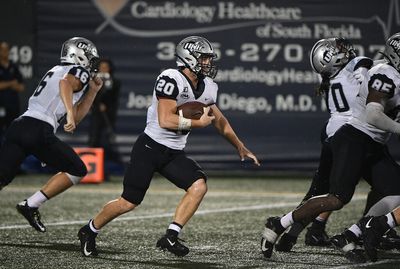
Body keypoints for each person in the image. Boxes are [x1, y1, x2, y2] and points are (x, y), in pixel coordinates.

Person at [77, 36, 260, 257]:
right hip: (150, 147)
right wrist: (196, 123)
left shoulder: (208, 86)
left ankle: (170, 236)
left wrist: (239, 146)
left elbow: (219, 120)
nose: (207, 63)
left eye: (208, 58)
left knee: (198, 185)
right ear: (188, 57)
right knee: (128, 202)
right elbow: (165, 120)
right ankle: (89, 229)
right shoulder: (170, 77)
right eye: (203, 58)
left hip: (173, 152)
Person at [260, 35, 400, 261]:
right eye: (338, 49)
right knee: (336, 197)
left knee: (390, 188)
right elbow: (374, 105)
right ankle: (281, 224)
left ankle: (352, 233)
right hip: (354, 137)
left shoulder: (339, 76)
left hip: (352, 136)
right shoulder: (372, 68)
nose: (344, 49)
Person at [0, 37, 103, 233]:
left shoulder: (57, 69)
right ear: (78, 55)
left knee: (2, 178)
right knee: (77, 169)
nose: (92, 62)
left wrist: (93, 92)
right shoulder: (76, 71)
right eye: (89, 57)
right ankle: (31, 205)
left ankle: (30, 205)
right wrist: (70, 115)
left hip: (20, 126)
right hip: (38, 129)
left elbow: (76, 114)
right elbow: (65, 85)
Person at [88, 58, 121, 163]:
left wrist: (107, 106)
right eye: (102, 68)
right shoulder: (93, 81)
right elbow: (91, 96)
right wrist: (98, 104)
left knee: (107, 140)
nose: (104, 69)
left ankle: (107, 167)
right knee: (94, 138)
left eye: (106, 68)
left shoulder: (115, 82)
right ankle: (92, 165)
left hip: (109, 115)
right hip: (97, 114)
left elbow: (114, 98)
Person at [0, 41, 25, 143]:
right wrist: (11, 83)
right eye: (2, 50)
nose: (5, 52)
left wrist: (13, 85)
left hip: (13, 105)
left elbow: (21, 87)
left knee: (13, 130)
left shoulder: (14, 67)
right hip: (1, 105)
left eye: (7, 50)